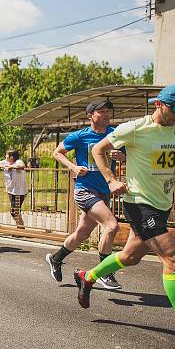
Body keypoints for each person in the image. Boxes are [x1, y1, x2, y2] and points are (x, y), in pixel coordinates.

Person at [74, 84, 175, 347]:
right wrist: (111, 180)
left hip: (161, 203)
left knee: (129, 257)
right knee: (174, 259)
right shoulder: (135, 129)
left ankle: (86, 278)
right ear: (158, 104)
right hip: (139, 203)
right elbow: (97, 150)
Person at [47, 101, 123, 289]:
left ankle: (55, 259)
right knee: (111, 226)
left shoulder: (115, 134)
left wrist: (123, 157)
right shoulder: (81, 136)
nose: (106, 114)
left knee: (82, 233)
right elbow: (57, 152)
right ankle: (105, 272)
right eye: (101, 112)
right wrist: (73, 167)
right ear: (90, 115)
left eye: (108, 111)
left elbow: (128, 154)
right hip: (84, 190)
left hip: (104, 191)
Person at [0, 149, 28, 229]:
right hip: (11, 191)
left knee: (14, 211)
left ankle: (21, 228)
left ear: (11, 157)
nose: (5, 156)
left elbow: (22, 166)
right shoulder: (6, 162)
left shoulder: (18, 162)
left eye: (7, 155)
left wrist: (12, 167)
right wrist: (3, 166)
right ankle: (20, 228)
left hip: (20, 191)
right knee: (15, 211)